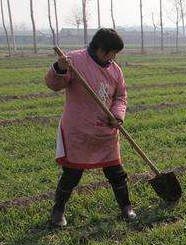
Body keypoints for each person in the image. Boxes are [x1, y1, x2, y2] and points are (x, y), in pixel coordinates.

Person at [45, 28, 136, 228]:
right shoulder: (74, 61)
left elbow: (120, 96)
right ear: (101, 50)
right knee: (72, 174)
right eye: (113, 53)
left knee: (116, 172)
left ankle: (126, 207)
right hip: (79, 130)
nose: (114, 58)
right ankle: (58, 210)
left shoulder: (115, 70)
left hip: (106, 132)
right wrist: (59, 68)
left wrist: (117, 116)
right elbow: (53, 84)